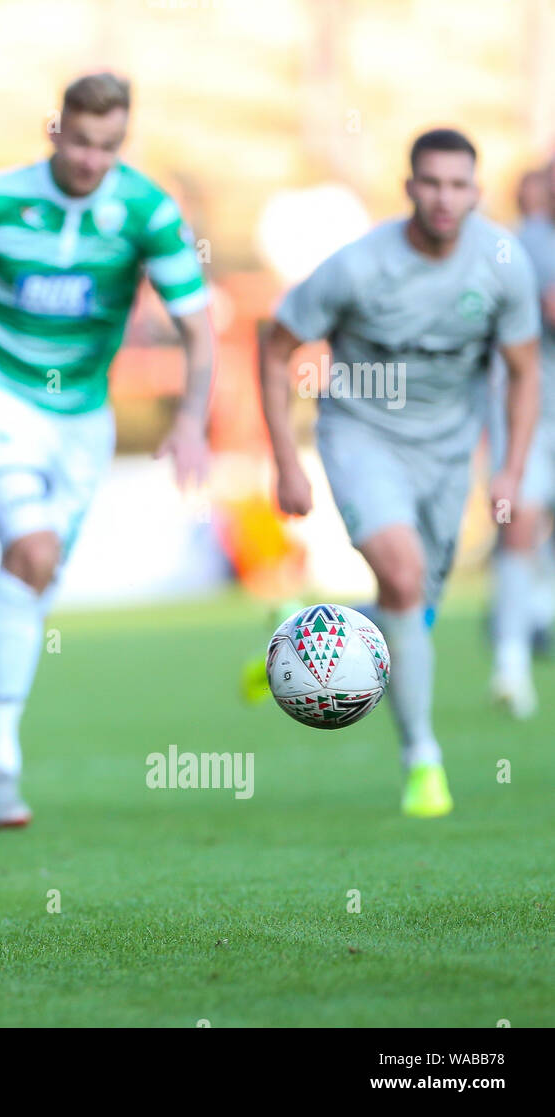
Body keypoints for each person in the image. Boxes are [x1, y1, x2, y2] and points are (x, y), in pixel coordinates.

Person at [0, 72, 214, 828]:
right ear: (56, 129)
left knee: (28, 588)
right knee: (31, 553)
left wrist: (191, 419)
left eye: (110, 146)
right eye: (83, 141)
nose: (93, 160)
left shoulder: (147, 212)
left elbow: (199, 325)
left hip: (81, 423)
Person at [259, 128, 541, 818]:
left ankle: (297, 640)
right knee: (405, 578)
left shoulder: (503, 262)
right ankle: (423, 760)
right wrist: (286, 461)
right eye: (432, 183)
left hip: (447, 453)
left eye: (458, 185)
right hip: (363, 436)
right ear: (410, 187)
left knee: (415, 606)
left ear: (475, 191)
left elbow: (525, 369)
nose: (444, 198)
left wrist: (510, 469)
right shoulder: (358, 267)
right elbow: (274, 348)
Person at [488, 158, 555, 715]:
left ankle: (534, 616)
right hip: (530, 409)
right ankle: (511, 660)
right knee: (520, 522)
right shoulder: (532, 243)